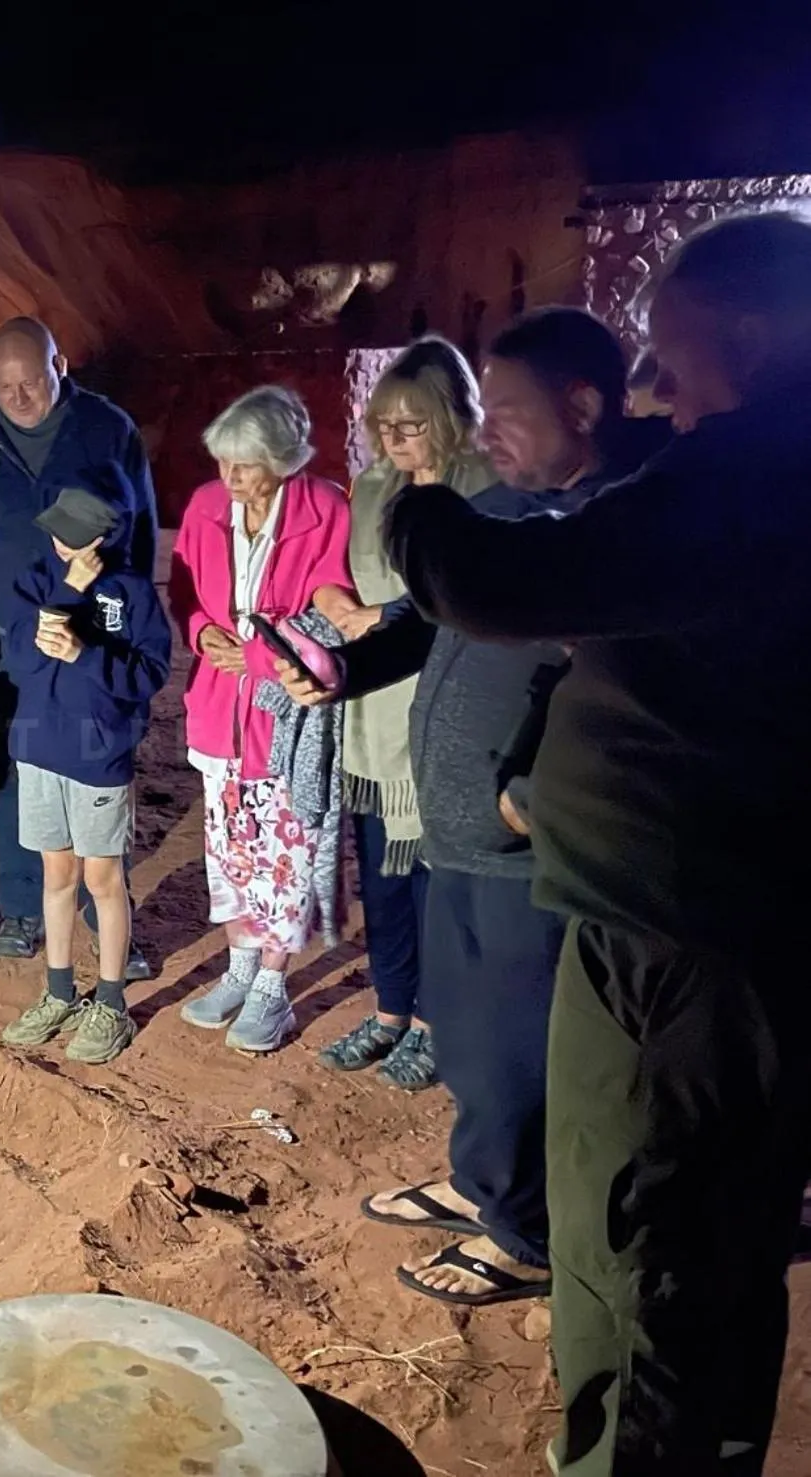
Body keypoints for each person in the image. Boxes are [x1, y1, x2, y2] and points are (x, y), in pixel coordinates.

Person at [383, 213, 811, 1476]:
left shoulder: (753, 473)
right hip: (728, 934)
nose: (660, 394)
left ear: (746, 333)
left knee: (643, 1261)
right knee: (710, 1251)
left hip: (673, 954)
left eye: (673, 359)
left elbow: (505, 590)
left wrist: (418, 513)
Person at [285, 307, 668, 1312]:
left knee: (517, 1052)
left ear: (582, 406)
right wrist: (347, 666)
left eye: (504, 408)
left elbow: (638, 686)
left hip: (521, 850)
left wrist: (530, 797)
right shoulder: (503, 505)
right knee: (464, 1033)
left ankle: (526, 1233)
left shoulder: (624, 525)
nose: (483, 428)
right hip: (454, 825)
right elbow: (437, 612)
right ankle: (485, 1180)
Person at [0, 317, 159, 974]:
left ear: (60, 364)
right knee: (2, 770)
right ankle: (22, 902)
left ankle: (102, 904)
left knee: (94, 768)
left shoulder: (106, 429)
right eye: (6, 385)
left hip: (87, 638)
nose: (21, 396)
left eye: (32, 380)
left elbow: (137, 530)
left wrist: (121, 618)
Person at [317, 337, 497, 1091]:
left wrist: (386, 613)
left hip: (440, 707)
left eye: (409, 424)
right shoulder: (369, 489)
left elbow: (469, 591)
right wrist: (335, 603)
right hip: (371, 713)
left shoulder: (481, 488)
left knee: (431, 878)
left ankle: (433, 1019)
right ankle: (389, 1008)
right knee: (381, 880)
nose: (391, 438)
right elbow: (332, 575)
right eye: (382, 423)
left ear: (450, 419)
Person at [168, 387, 356, 1054]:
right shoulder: (204, 507)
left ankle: (273, 984)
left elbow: (331, 614)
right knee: (228, 844)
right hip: (220, 705)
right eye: (223, 463)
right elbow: (186, 593)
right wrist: (199, 636)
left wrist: (252, 653)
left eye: (244, 466)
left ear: (282, 459)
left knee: (284, 848)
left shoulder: (326, 509)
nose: (230, 479)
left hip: (283, 711)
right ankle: (239, 963)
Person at [0, 488, 171, 1063]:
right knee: (57, 875)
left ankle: (112, 1003)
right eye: (57, 533)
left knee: (102, 879)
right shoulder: (37, 579)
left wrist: (85, 656)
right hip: (41, 748)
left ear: (104, 538)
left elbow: (150, 673)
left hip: (98, 756)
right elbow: (19, 661)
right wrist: (67, 590)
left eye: (76, 538)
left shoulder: (133, 592)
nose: (62, 544)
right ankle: (59, 991)